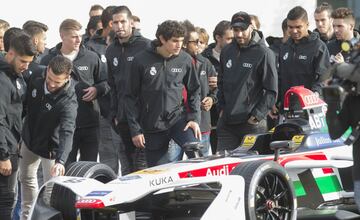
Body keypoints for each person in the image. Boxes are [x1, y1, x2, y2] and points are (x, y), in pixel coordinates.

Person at [124, 20, 201, 167]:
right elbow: (130, 97)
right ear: (162, 39)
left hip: (178, 119)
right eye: (174, 41)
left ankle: (199, 188)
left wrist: (194, 118)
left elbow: (195, 90)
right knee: (158, 172)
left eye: (181, 41)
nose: (179, 45)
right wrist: (135, 130)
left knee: (195, 151)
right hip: (153, 123)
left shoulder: (184, 59)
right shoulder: (141, 60)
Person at [40, 19, 109, 166]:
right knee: (66, 170)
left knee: (88, 169)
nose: (79, 40)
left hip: (89, 123)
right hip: (62, 126)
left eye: (80, 35)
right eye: (74, 36)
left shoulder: (91, 57)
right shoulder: (48, 60)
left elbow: (106, 82)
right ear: (62, 36)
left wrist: (97, 89)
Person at [19, 56, 77, 220]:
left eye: (57, 82)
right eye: (49, 78)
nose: (51, 84)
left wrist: (61, 161)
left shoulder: (69, 101)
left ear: (68, 77)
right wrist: (18, 136)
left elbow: (67, 131)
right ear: (47, 70)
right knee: (25, 178)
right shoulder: (36, 74)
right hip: (29, 139)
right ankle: (27, 216)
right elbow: (23, 106)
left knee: (50, 191)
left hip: (52, 148)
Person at [216, 11, 277, 152]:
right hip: (227, 123)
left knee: (252, 167)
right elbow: (221, 82)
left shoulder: (264, 53)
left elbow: (271, 90)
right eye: (235, 30)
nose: (239, 34)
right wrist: (221, 109)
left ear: (251, 27)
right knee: (223, 167)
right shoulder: (227, 51)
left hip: (251, 124)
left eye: (242, 30)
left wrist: (257, 116)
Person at [106, 6, 150, 174]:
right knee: (126, 170)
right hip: (122, 120)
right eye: (115, 22)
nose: (119, 26)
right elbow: (113, 85)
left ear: (132, 22)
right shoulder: (111, 50)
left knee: (143, 169)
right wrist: (114, 115)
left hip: (144, 119)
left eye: (123, 21)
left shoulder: (146, 46)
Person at [167, 20, 217, 161]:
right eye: (195, 41)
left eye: (200, 41)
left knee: (201, 166)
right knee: (171, 166)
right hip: (178, 124)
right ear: (184, 43)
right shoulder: (171, 63)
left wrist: (212, 98)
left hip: (201, 125)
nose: (199, 44)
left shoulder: (205, 63)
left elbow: (216, 89)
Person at [0, 34, 36, 220]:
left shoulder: (17, 76)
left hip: (12, 147)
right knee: (5, 201)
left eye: (29, 62)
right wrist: (3, 155)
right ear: (10, 53)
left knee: (9, 199)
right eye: (22, 61)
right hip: (3, 152)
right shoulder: (2, 79)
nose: (26, 66)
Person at [278, 6, 330, 106]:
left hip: (309, 108)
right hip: (286, 107)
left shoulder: (319, 47)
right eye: (290, 27)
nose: (294, 31)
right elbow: (280, 77)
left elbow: (323, 77)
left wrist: (314, 95)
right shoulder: (284, 47)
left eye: (298, 27)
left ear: (307, 25)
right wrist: (274, 102)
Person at [202, 20, 233, 154]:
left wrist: (222, 80)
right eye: (229, 38)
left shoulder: (238, 55)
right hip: (210, 114)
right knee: (214, 153)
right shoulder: (204, 58)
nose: (232, 41)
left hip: (230, 111)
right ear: (218, 38)